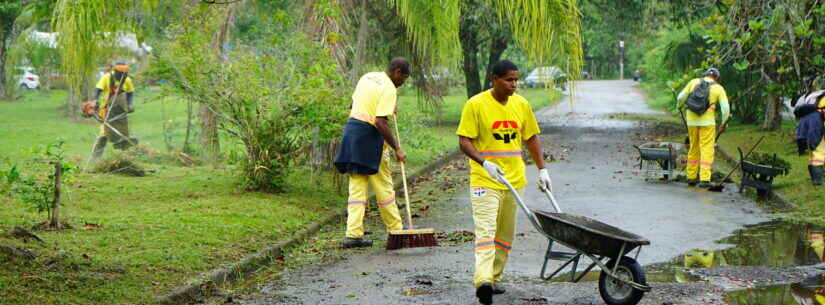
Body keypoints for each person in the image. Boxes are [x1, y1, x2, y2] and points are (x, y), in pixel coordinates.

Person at [456, 60, 552, 305]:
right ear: (495, 79)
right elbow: (464, 141)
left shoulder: (521, 104)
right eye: (509, 80)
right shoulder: (475, 104)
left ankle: (495, 278)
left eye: (516, 80)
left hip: (514, 180)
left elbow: (531, 138)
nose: (514, 85)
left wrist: (542, 170)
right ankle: (483, 281)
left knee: (504, 236)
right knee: (486, 232)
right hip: (485, 180)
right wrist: (483, 162)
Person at [333, 58, 411, 248]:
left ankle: (353, 235)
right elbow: (380, 122)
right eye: (404, 78)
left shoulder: (367, 77)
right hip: (370, 138)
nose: (403, 83)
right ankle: (396, 231)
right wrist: (397, 148)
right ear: (398, 72)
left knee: (357, 187)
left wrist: (387, 108)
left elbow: (354, 106)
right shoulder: (389, 88)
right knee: (383, 186)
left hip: (352, 133)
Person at [676, 68, 730, 188]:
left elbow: (680, 98)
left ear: (705, 75)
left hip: (691, 121)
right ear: (716, 78)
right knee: (706, 148)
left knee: (693, 147)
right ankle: (704, 179)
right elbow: (726, 109)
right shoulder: (718, 88)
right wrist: (724, 123)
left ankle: (691, 177)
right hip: (708, 123)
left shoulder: (693, 82)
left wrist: (679, 106)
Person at [90, 62, 136, 160]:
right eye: (121, 74)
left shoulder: (127, 80)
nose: (123, 76)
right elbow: (97, 90)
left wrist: (130, 104)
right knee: (104, 133)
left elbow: (130, 92)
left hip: (120, 111)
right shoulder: (106, 77)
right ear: (116, 72)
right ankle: (95, 157)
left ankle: (125, 157)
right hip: (106, 109)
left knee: (124, 133)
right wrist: (94, 101)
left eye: (125, 74)